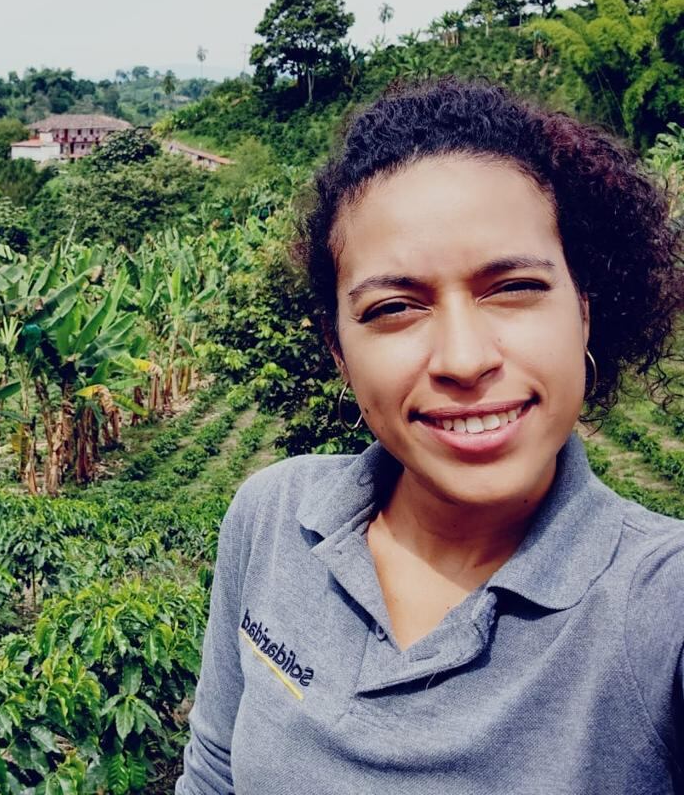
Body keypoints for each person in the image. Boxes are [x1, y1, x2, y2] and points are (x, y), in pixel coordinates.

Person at [175, 79, 684, 794]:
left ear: (583, 311)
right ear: (339, 351)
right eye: (394, 307)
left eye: (514, 288)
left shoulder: (659, 606)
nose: (464, 360)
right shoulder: (273, 518)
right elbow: (214, 772)